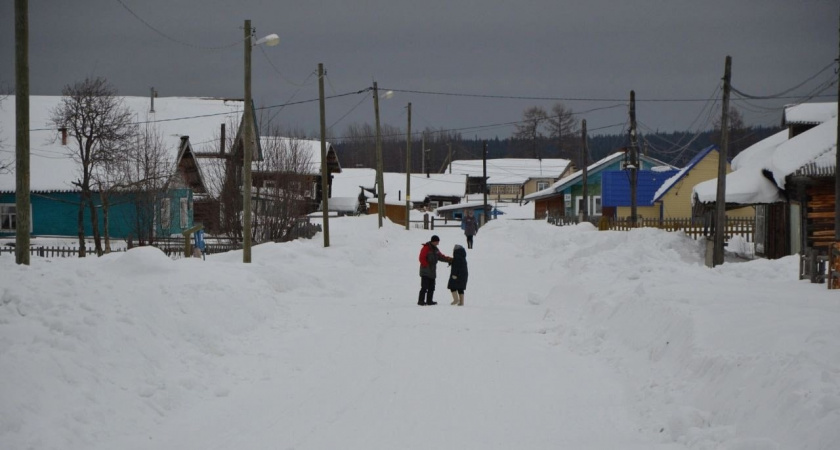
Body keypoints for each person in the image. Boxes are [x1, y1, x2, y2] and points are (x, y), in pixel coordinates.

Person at [418, 235, 452, 306]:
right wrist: (426, 265)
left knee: (432, 287)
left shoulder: (436, 249)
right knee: (424, 287)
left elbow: (441, 257)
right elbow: (421, 258)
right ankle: (421, 301)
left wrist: (449, 259)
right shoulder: (426, 248)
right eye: (437, 242)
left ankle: (429, 301)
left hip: (432, 271)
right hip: (425, 271)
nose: (438, 243)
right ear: (433, 241)